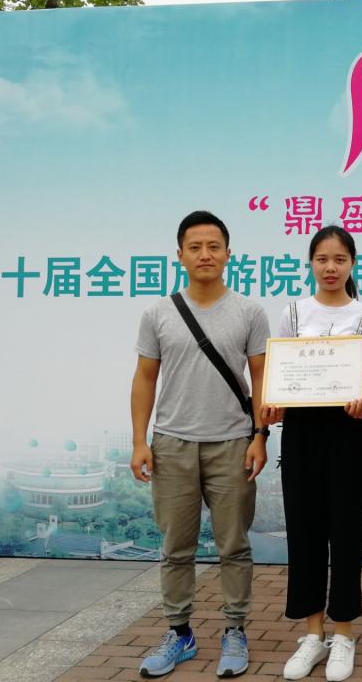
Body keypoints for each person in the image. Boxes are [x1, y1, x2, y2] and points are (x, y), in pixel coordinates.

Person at [130, 210, 270, 679]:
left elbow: (261, 377)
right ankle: (180, 633)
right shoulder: (157, 313)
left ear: (229, 254)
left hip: (232, 443)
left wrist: (260, 436)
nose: (205, 255)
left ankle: (235, 630)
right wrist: (140, 441)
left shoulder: (249, 312)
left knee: (234, 546)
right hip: (172, 444)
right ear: (180, 256)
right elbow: (144, 378)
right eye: (195, 247)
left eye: (214, 246)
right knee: (176, 548)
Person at [259, 225, 362, 682]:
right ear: (310, 263)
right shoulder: (293, 312)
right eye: (322, 259)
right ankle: (313, 633)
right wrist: (273, 404)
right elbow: (280, 374)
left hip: (346, 431)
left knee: (346, 531)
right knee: (305, 529)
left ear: (352, 264)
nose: (331, 268)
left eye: (340, 259)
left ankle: (343, 633)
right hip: (302, 432)